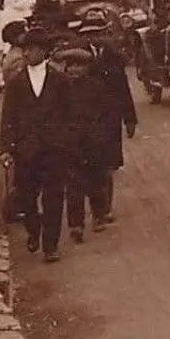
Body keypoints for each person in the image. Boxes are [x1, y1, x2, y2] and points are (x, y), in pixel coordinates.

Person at [0, 28, 72, 262]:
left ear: (43, 51)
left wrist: (66, 141)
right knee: (27, 197)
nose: (26, 54)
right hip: (26, 150)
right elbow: (8, 116)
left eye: (31, 49)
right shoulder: (16, 82)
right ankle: (33, 230)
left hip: (54, 149)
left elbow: (70, 115)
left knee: (53, 197)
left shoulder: (60, 80)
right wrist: (6, 148)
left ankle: (51, 246)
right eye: (24, 49)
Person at [76, 9, 137, 222]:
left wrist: (130, 119)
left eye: (99, 32)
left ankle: (104, 209)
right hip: (85, 118)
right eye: (90, 33)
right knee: (89, 165)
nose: (95, 37)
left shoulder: (113, 55)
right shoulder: (77, 56)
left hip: (110, 116)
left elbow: (123, 88)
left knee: (109, 166)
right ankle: (95, 207)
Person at [59, 48, 110, 243]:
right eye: (70, 66)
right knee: (73, 186)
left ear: (87, 67)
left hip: (93, 142)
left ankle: (98, 215)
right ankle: (76, 224)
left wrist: (101, 139)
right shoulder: (62, 88)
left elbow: (105, 115)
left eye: (79, 66)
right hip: (71, 143)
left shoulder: (97, 87)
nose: (74, 70)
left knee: (96, 182)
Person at [1, 20, 28, 85]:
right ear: (16, 37)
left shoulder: (16, 51)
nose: (27, 33)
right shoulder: (18, 57)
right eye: (24, 32)